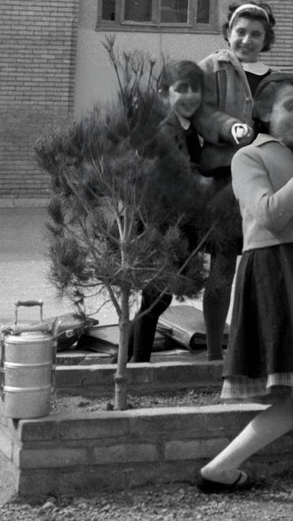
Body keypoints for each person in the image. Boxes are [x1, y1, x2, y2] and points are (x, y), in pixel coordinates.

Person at [196, 74, 293, 510]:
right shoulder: (248, 156)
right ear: (264, 113)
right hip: (275, 268)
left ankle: (219, 469)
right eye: (290, 107)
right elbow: (269, 215)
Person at [193, 0, 274, 359]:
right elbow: (200, 110)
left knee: (260, 262)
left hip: (263, 178)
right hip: (225, 177)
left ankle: (251, 346)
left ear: (266, 39)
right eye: (240, 32)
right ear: (228, 32)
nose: (247, 40)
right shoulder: (211, 68)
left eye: (256, 34)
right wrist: (228, 127)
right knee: (223, 262)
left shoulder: (273, 77)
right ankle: (214, 350)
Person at [131, 60, 212, 362]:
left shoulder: (189, 127)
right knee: (156, 299)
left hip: (178, 223)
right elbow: (180, 176)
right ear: (164, 93)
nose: (190, 96)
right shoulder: (166, 129)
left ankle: (130, 361)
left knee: (155, 299)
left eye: (197, 89)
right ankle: (137, 364)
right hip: (162, 224)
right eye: (182, 89)